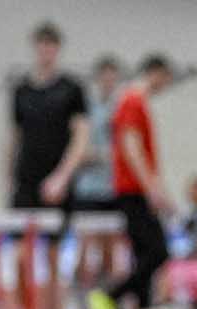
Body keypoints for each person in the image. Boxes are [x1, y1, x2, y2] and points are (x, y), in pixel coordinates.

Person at [5, 21, 89, 309]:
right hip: (26, 181)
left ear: (57, 49)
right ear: (35, 47)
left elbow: (81, 137)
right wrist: (9, 177)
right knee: (20, 257)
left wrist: (62, 176)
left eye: (51, 45)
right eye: (41, 45)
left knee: (53, 256)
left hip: (57, 183)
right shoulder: (21, 90)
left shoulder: (72, 89)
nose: (46, 51)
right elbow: (14, 137)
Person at [86, 54, 176, 309]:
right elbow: (131, 148)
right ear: (156, 73)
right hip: (132, 191)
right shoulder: (132, 101)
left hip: (136, 189)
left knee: (143, 255)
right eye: (165, 80)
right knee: (158, 253)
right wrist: (152, 190)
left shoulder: (135, 102)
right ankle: (109, 295)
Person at [70, 55, 124, 288]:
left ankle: (109, 297)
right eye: (104, 78)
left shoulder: (122, 107)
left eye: (112, 78)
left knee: (111, 248)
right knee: (85, 244)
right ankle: (78, 293)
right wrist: (97, 156)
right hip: (88, 189)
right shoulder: (87, 109)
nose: (108, 82)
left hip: (113, 189)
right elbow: (78, 149)